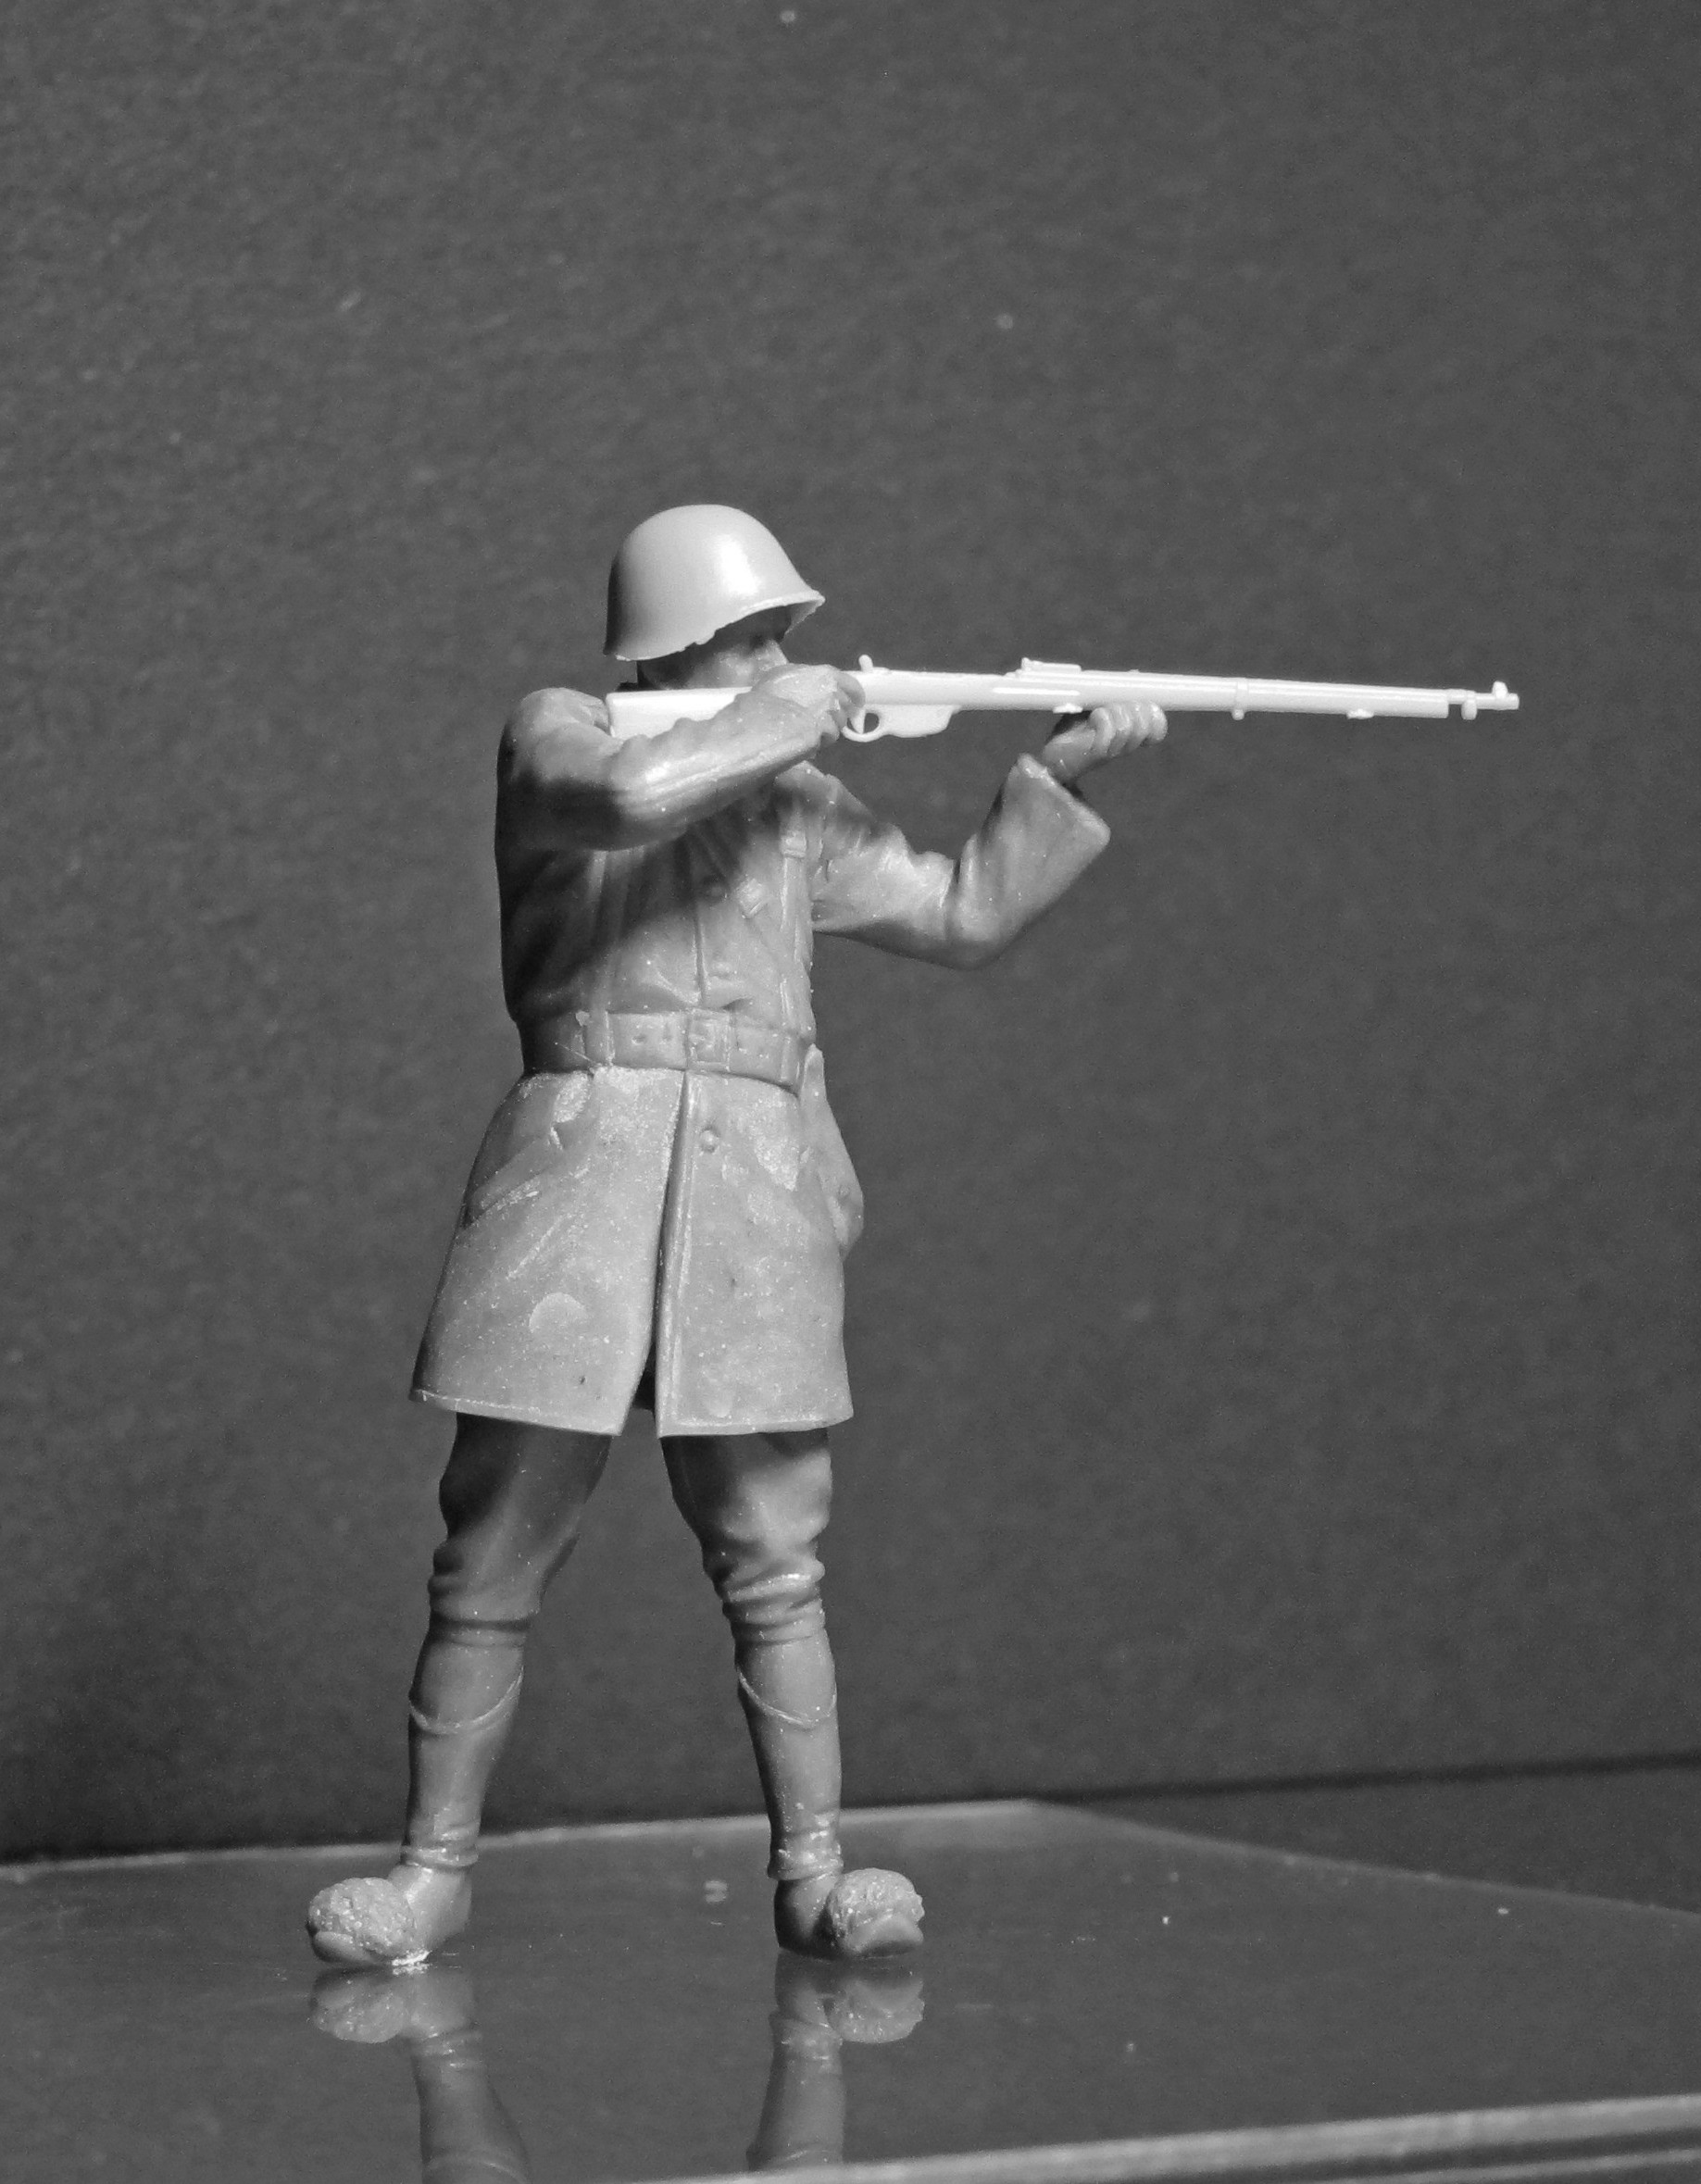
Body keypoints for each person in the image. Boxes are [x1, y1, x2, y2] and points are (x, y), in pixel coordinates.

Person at [307, 505, 1166, 1969]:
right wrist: (787, 716)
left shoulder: (795, 799)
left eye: (783, 642)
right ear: (670, 646)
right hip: (581, 1169)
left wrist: (1049, 780)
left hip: (755, 1189)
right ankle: (430, 1877)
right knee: (490, 1557)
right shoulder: (564, 732)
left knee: (777, 1558)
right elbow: (631, 797)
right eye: (750, 639)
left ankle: (814, 1874)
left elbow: (958, 914)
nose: (780, 663)